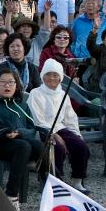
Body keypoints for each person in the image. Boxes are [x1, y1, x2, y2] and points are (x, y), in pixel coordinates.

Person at [0, 69, 44, 206]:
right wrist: (4, 133)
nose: (7, 86)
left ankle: (50, 186)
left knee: (40, 145)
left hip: (21, 141)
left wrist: (19, 132)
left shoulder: (22, 105)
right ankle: (11, 194)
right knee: (24, 146)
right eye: (3, 82)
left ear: (16, 85)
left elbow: (31, 129)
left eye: (11, 82)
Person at [28, 60, 90, 191]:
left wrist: (77, 134)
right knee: (57, 148)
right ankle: (54, 183)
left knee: (81, 146)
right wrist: (53, 135)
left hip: (60, 127)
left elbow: (70, 118)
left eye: (55, 75)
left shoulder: (63, 94)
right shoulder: (35, 93)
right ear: (43, 75)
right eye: (48, 74)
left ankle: (77, 181)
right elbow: (36, 119)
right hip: (42, 130)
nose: (51, 78)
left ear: (60, 77)